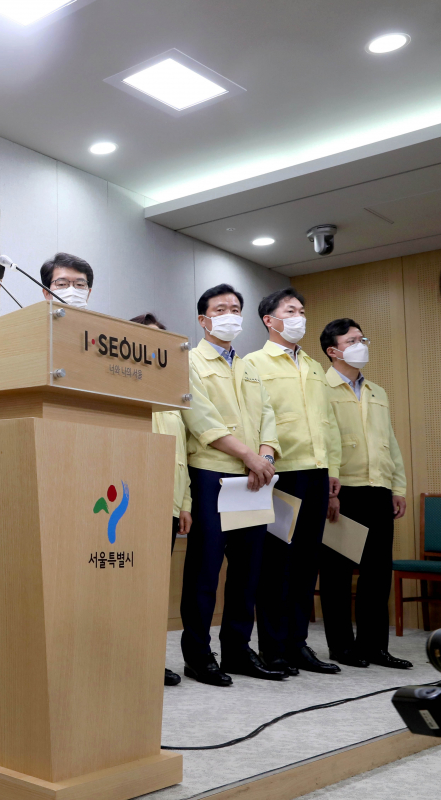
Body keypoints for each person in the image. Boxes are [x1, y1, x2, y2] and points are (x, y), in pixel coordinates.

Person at [180, 285, 286, 686]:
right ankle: (198, 654)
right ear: (203, 319)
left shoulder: (249, 366)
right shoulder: (189, 361)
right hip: (212, 473)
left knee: (248, 569)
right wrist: (248, 456)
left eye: (235, 309)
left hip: (254, 477)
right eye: (220, 309)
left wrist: (266, 456)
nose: (230, 315)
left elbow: (269, 417)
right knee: (206, 569)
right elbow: (201, 419)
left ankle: (239, 651)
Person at [243, 288, 342, 676]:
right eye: (291, 311)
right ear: (270, 320)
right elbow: (257, 420)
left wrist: (332, 469)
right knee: (276, 564)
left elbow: (327, 423)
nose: (300, 316)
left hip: (317, 472)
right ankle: (273, 647)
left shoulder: (314, 366)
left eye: (302, 310)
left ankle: (298, 643)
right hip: (281, 472)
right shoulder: (253, 363)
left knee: (305, 562)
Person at [317, 319, 412, 669]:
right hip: (344, 491)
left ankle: (375, 647)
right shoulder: (320, 388)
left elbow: (390, 442)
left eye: (363, 338)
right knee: (338, 573)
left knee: (377, 572)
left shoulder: (377, 391)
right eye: (352, 340)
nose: (361, 344)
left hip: (379, 490)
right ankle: (342, 647)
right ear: (333, 350)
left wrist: (396, 486)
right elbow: (323, 442)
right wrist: (329, 488)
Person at [132, 313, 189, 688]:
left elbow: (181, 454)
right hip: (134, 505)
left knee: (154, 592)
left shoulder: (172, 394)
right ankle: (130, 661)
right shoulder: (123, 388)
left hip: (169, 504)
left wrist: (185, 504)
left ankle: (152, 661)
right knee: (131, 589)